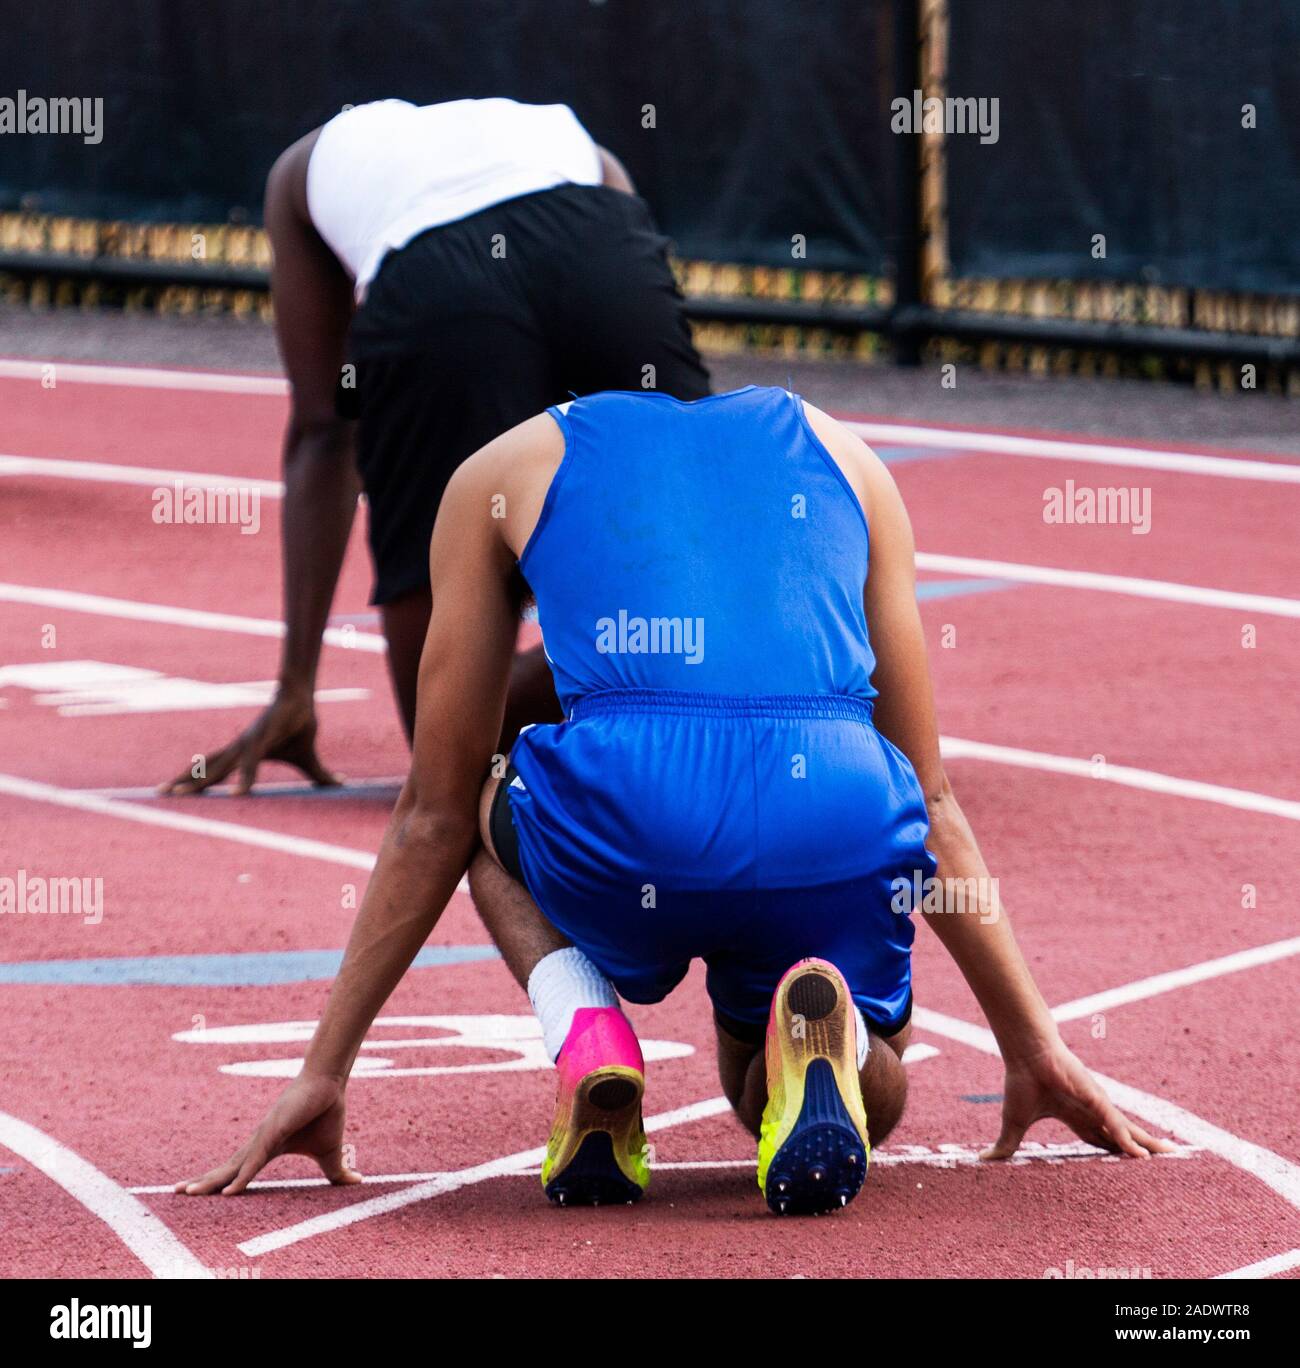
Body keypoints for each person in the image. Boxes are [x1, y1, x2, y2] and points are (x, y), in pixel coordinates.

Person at [175, 386, 1171, 1216]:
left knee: (480, 796)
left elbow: (430, 813)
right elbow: (934, 795)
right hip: (836, 808)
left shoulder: (497, 471)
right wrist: (1032, 1046)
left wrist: (324, 1069)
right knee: (798, 1097)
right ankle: (828, 1038)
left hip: (628, 821)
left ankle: (588, 1034)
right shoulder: (848, 456)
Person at [162, 96, 709, 796]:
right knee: (708, 557)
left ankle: (610, 675)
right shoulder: (571, 140)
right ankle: (679, 659)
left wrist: (296, 684)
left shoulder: (298, 174)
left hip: (438, 284)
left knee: (445, 739)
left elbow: (324, 430)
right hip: (597, 242)